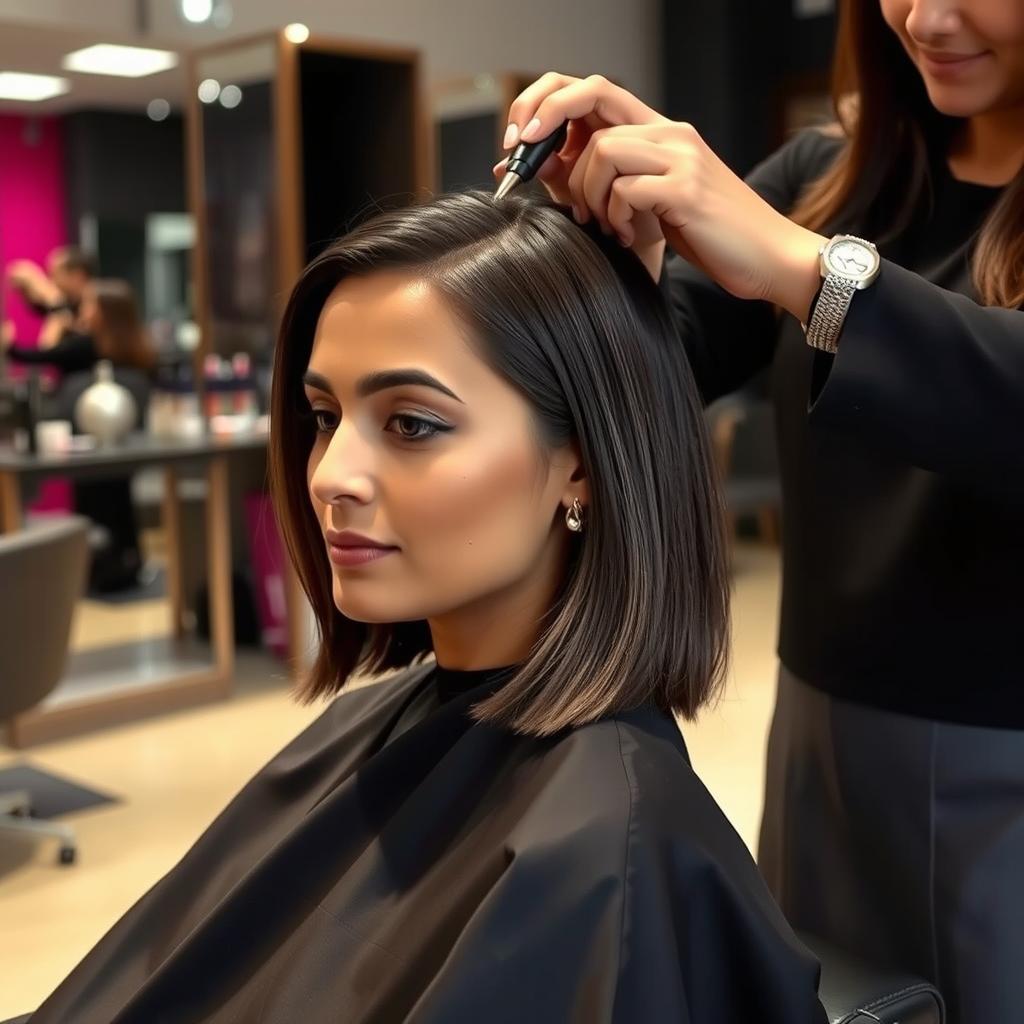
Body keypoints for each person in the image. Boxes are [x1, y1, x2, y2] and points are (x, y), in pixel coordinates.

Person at [26, 192, 828, 1023]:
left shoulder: (600, 852)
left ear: (581, 466)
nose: (331, 474)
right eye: (325, 417)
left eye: (410, 423)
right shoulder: (383, 723)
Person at [495, 1, 1024, 1022]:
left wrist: (803, 269)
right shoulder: (830, 177)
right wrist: (621, 253)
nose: (925, 15)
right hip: (823, 744)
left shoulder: (801, 225)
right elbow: (656, 367)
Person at [3, 278, 155, 375]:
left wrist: (9, 345)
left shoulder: (85, 346)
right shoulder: (141, 348)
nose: (82, 309)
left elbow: (39, 355)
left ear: (103, 312)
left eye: (88, 304)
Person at [5, 246, 96, 351]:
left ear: (77, 275)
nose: (52, 281)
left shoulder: (96, 306)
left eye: (55, 274)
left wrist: (52, 297)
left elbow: (48, 347)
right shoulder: (69, 304)